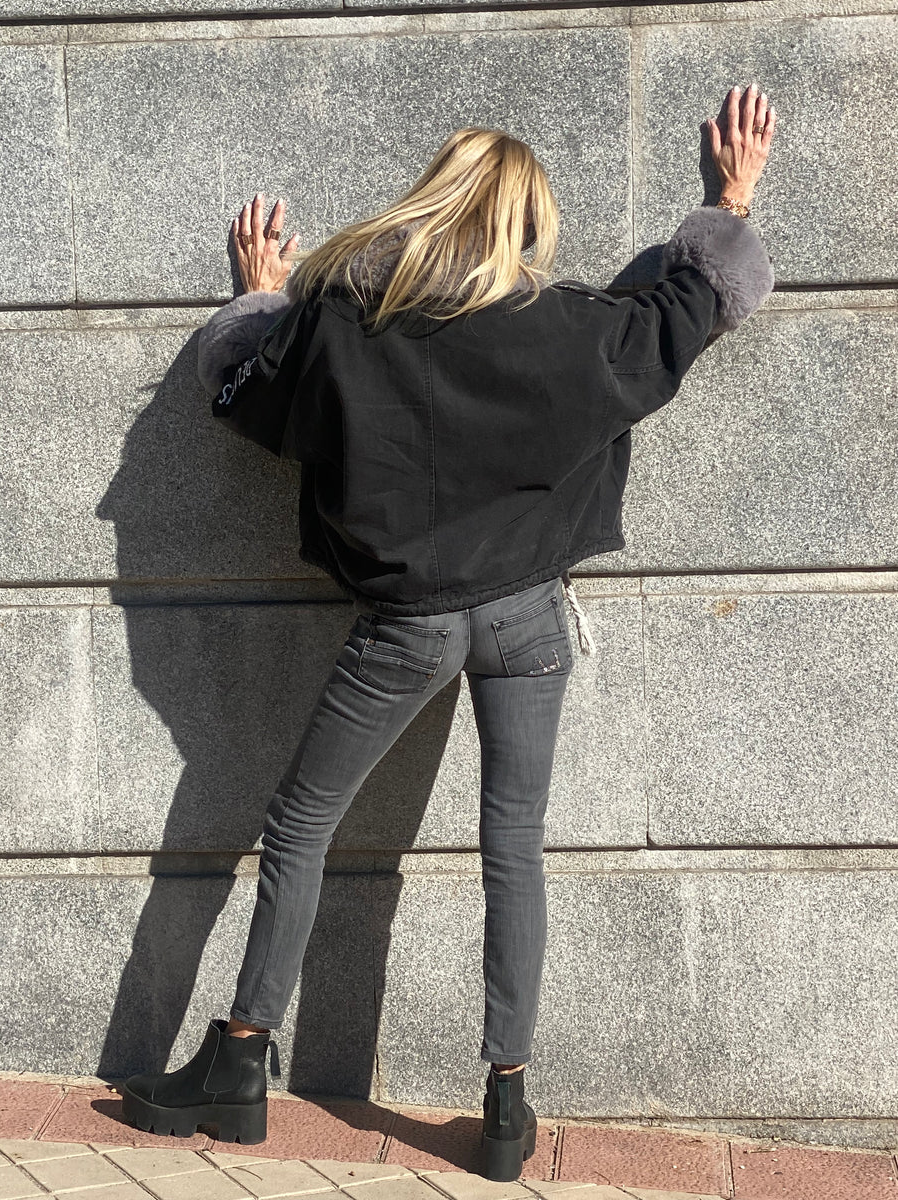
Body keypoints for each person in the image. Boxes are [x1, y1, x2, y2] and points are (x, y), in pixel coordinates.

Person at [121, 85, 776, 1182]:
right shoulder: (568, 329)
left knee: (299, 826)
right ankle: (509, 1107)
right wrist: (729, 195)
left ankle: (239, 1070)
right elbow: (689, 308)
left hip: (408, 626)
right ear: (521, 221)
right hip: (529, 617)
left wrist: (258, 298)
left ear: (433, 204)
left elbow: (245, 388)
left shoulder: (343, 329)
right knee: (512, 849)